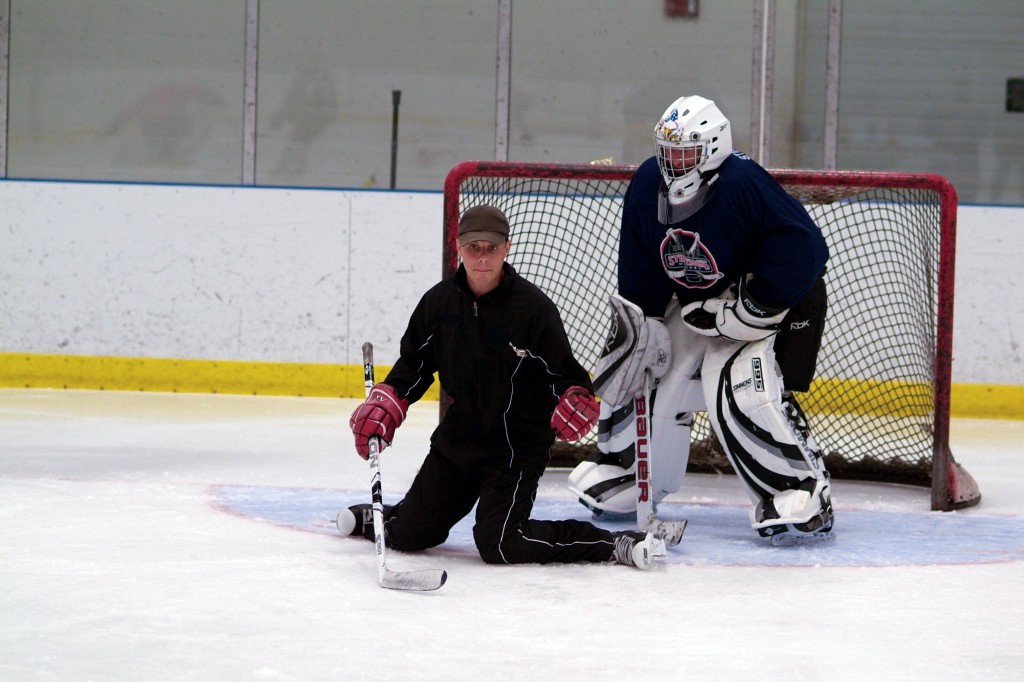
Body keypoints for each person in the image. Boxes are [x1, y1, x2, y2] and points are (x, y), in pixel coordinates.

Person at [337, 205, 680, 569]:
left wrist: (575, 397)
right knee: (409, 535)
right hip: (459, 440)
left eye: (492, 247)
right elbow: (414, 365)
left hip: (516, 448)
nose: (483, 257)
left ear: (507, 248)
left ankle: (613, 543)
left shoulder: (533, 309)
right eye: (474, 248)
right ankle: (383, 518)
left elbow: (568, 376)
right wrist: (389, 398)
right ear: (459, 247)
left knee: (501, 544)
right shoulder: (438, 305)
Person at [568, 95, 835, 545]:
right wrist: (646, 320)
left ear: (713, 148)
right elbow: (639, 257)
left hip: (761, 297)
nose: (673, 163)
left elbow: (805, 251)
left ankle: (800, 488)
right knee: (633, 364)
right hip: (695, 302)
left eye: (686, 153)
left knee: (735, 386)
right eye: (667, 152)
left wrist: (749, 309)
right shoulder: (647, 183)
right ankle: (629, 471)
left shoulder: (743, 183)